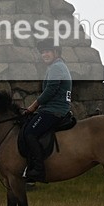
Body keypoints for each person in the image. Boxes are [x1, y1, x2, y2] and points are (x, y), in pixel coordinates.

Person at [21, 39, 73, 182]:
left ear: (56, 52)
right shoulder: (57, 66)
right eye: (42, 52)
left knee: (30, 132)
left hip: (54, 110)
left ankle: (38, 170)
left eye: (47, 51)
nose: (44, 54)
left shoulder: (56, 67)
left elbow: (50, 90)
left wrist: (33, 106)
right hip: (52, 109)